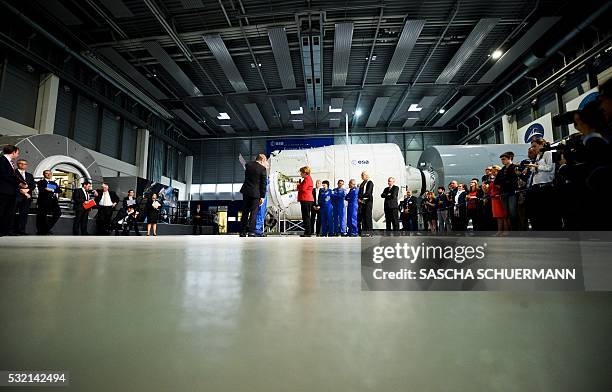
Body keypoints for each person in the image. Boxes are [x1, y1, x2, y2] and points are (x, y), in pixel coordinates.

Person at [526, 139, 560, 230]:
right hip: (536, 186)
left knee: (547, 211)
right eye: (532, 146)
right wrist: (531, 168)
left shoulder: (548, 153)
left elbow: (550, 168)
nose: (533, 148)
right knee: (538, 212)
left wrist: (536, 166)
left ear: (542, 145)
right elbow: (537, 169)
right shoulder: (538, 156)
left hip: (546, 186)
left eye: (534, 146)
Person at [1, 145, 29, 236]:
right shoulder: (2, 160)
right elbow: (5, 175)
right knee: (2, 211)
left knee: (8, 213)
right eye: (17, 153)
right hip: (3, 191)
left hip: (10, 191)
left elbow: (12, 176)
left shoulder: (10, 162)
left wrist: (21, 182)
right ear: (13, 152)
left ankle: (5, 231)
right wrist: (19, 183)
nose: (17, 155)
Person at [239, 154, 267, 237]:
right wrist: (262, 196)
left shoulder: (248, 165)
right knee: (254, 213)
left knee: (245, 212)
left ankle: (242, 232)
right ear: (262, 160)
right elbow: (263, 184)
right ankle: (251, 232)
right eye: (265, 160)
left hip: (246, 191)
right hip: (256, 193)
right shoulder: (262, 169)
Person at [494, 152, 518, 231]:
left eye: (504, 159)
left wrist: (504, 185)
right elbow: (496, 182)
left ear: (510, 158)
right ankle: (510, 230)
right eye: (501, 160)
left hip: (512, 193)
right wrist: (502, 186)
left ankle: (516, 230)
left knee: (513, 212)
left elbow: (514, 181)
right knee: (506, 213)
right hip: (504, 193)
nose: (502, 161)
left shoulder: (514, 167)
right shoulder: (502, 170)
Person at [36, 169, 62, 235]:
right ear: (44, 174)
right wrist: (52, 189)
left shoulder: (53, 183)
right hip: (43, 201)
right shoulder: (41, 182)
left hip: (53, 201)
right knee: (42, 216)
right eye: (47, 173)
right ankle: (42, 231)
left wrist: (51, 189)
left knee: (58, 213)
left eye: (50, 173)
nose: (48, 174)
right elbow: (42, 190)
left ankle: (46, 228)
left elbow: (59, 190)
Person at [14, 159, 35, 235]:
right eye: (21, 163)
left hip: (26, 198)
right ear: (17, 164)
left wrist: (28, 190)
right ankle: (11, 231)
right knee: (12, 214)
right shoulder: (13, 173)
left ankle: (21, 230)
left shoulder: (30, 175)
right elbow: (11, 184)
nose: (23, 165)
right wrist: (21, 191)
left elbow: (33, 185)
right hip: (16, 197)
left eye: (25, 164)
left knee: (24, 215)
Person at [488, 165, 508, 235]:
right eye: (492, 172)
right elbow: (490, 189)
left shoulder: (501, 178)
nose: (492, 173)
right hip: (494, 199)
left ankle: (506, 231)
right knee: (498, 216)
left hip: (500, 198)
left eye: (494, 171)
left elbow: (502, 187)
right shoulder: (494, 179)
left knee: (503, 215)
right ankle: (499, 231)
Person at [296, 166, 314, 237]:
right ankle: (307, 231)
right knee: (306, 216)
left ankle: (308, 232)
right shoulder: (307, 178)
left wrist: (298, 185)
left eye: (301, 172)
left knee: (306, 216)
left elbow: (303, 188)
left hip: (306, 199)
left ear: (304, 173)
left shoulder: (307, 179)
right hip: (307, 199)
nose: (300, 174)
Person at [358, 171, 374, 236]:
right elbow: (360, 191)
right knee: (363, 217)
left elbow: (368, 192)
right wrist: (359, 198)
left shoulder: (370, 182)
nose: (361, 176)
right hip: (362, 202)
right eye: (361, 175)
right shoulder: (362, 183)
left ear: (366, 176)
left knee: (368, 217)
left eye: (363, 175)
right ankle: (364, 231)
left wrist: (360, 197)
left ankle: (369, 232)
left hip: (367, 202)